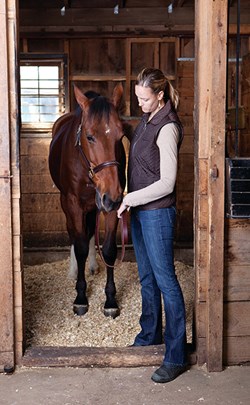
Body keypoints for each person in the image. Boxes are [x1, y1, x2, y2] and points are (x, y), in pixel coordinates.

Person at [117, 67, 187, 383]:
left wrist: (131, 198)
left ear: (159, 96)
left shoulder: (168, 127)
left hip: (157, 213)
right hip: (141, 212)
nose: (140, 103)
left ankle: (175, 356)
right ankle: (149, 337)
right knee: (146, 278)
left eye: (144, 98)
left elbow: (168, 183)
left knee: (165, 281)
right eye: (137, 97)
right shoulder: (146, 120)